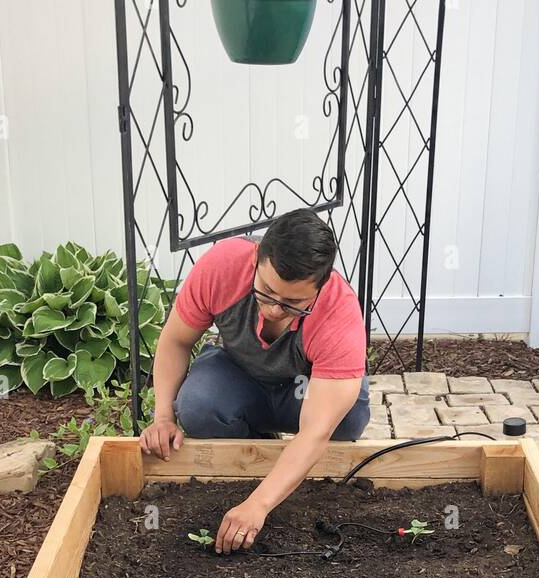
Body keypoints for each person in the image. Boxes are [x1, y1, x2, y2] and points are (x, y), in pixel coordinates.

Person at [139, 209, 369, 553]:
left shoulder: (339, 314)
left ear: (320, 288)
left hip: (304, 392)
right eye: (266, 292)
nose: (275, 310)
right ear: (257, 258)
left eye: (293, 303)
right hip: (242, 375)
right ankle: (261, 443)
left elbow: (314, 432)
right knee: (198, 406)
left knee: (346, 421)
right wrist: (162, 419)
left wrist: (257, 505)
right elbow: (176, 341)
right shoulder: (222, 267)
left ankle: (278, 464)